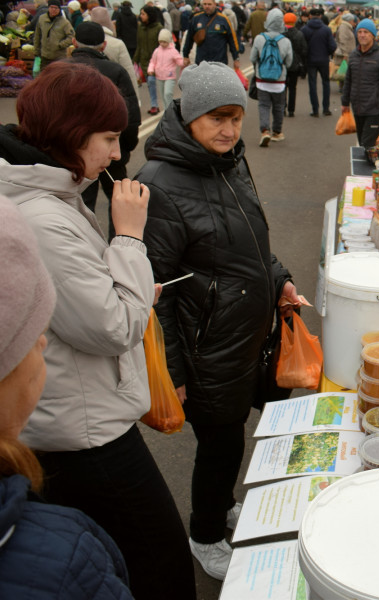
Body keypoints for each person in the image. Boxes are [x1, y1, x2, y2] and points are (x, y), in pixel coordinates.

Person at [0, 61, 196, 600]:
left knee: (124, 554)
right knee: (160, 561)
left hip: (76, 416)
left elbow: (89, 301)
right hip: (85, 434)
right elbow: (113, 327)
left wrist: (125, 282)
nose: (116, 154)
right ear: (70, 133)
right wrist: (129, 237)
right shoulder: (43, 216)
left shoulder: (55, 193)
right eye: (109, 138)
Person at [136, 61, 300, 581]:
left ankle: (221, 504)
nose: (229, 130)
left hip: (241, 335)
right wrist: (173, 372)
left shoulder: (229, 162)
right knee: (221, 443)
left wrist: (280, 279)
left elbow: (250, 244)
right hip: (203, 346)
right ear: (187, 116)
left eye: (236, 117)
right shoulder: (159, 183)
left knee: (232, 438)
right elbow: (152, 291)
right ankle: (205, 534)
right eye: (216, 119)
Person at [0, 194, 134, 600]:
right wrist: (130, 241)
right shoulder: (67, 561)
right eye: (30, 333)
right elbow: (115, 326)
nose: (43, 342)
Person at [71, 21, 141, 221]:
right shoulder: (115, 71)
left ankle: (81, 246)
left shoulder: (57, 70)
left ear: (74, 42)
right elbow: (130, 117)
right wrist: (124, 148)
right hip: (110, 150)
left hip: (68, 151)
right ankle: (117, 242)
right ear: (103, 45)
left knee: (78, 202)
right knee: (118, 198)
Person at [341, 18, 379, 156]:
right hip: (357, 108)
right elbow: (348, 80)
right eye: (359, 32)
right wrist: (345, 102)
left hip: (375, 109)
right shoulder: (354, 55)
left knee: (369, 146)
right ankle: (369, 173)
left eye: (366, 32)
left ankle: (373, 174)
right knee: (362, 144)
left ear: (373, 35)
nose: (362, 35)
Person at [251, 8, 292, 147]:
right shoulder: (285, 41)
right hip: (279, 80)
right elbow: (289, 62)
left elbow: (252, 58)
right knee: (279, 106)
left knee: (263, 105)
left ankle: (264, 131)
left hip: (261, 79)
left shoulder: (259, 38)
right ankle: (277, 132)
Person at [90, 6, 140, 97]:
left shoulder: (84, 42)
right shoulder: (117, 44)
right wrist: (135, 99)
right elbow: (129, 71)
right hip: (116, 93)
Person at [182, 0, 241, 69]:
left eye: (209, 4)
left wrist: (236, 58)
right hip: (201, 62)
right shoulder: (196, 19)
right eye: (205, 4)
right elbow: (189, 38)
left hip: (220, 62)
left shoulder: (223, 19)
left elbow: (232, 40)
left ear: (214, 5)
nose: (207, 6)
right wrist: (185, 55)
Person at [302, 7, 336, 117]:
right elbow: (332, 46)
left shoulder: (305, 29)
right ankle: (326, 108)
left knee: (312, 85)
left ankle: (315, 109)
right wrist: (328, 53)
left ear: (310, 16)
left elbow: (302, 46)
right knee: (326, 83)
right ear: (320, 16)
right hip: (323, 60)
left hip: (310, 60)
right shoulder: (326, 29)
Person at [133, 4, 162, 114]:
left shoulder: (158, 28)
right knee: (150, 84)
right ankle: (154, 105)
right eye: (141, 14)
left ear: (149, 15)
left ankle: (155, 104)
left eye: (143, 14)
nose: (141, 16)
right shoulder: (140, 28)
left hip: (156, 61)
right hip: (144, 60)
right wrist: (135, 59)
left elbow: (162, 45)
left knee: (151, 82)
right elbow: (139, 44)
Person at [148, 29, 184, 113]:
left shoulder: (173, 51)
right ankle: (166, 111)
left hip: (169, 76)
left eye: (164, 42)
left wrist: (184, 62)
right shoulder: (157, 51)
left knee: (167, 93)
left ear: (168, 41)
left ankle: (170, 110)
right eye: (160, 42)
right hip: (159, 76)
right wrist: (150, 69)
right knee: (162, 95)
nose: (162, 44)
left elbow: (179, 61)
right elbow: (152, 61)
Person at [33, 0, 74, 69]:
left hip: (59, 57)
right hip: (44, 56)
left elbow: (71, 36)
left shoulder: (64, 22)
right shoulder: (42, 19)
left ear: (59, 9)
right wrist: (36, 50)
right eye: (51, 7)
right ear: (48, 8)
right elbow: (37, 35)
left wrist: (60, 45)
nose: (53, 10)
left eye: (56, 8)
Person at [282, 10, 308, 118]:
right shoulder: (299, 33)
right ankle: (291, 110)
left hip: (282, 64)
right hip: (295, 64)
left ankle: (282, 107)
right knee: (293, 87)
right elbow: (304, 50)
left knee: (282, 87)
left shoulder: (281, 34)